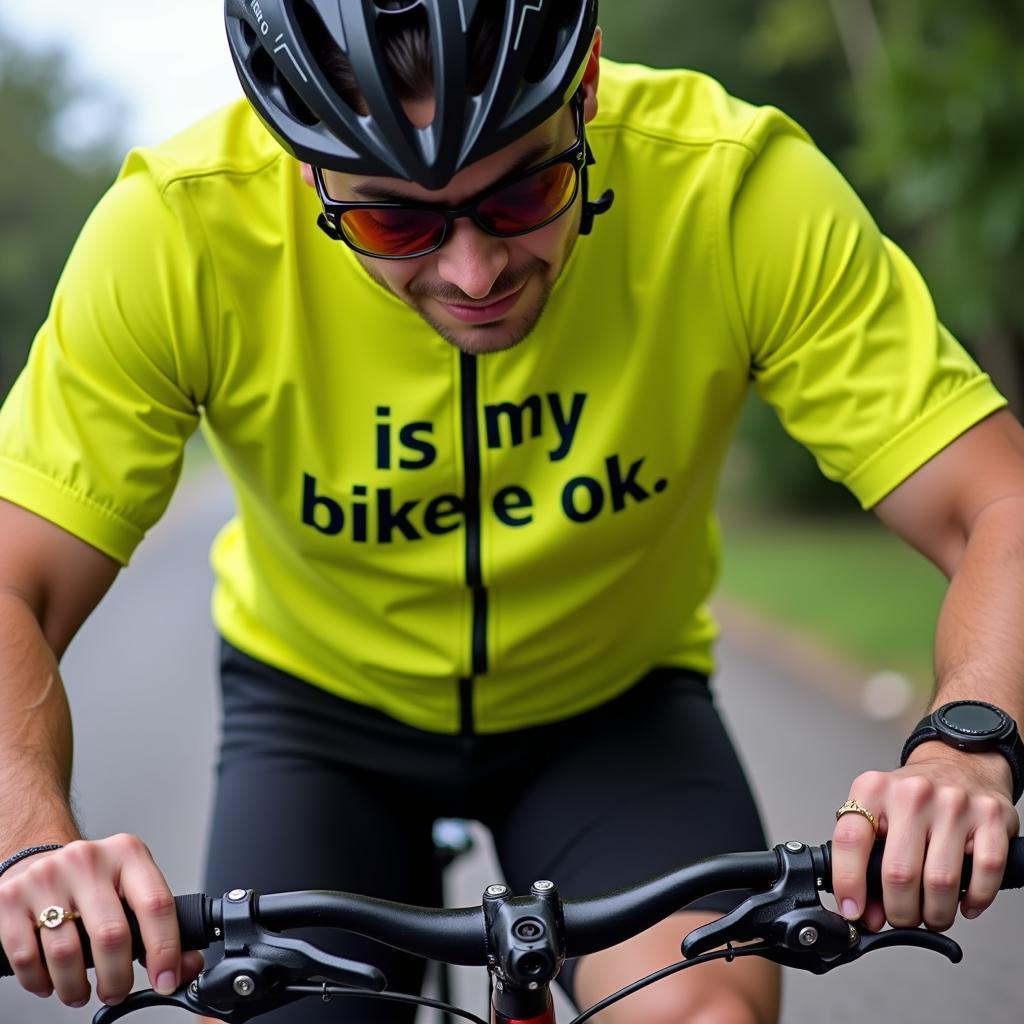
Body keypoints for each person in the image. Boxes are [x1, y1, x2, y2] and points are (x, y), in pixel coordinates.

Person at [0, 2, 1021, 1022]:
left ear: (584, 92)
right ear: (300, 165)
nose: (472, 271)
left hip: (613, 708)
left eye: (526, 189)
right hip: (318, 717)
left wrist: (964, 748)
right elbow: (14, 576)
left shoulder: (730, 187)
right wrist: (34, 844)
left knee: (700, 1015)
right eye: (392, 220)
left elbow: (998, 502)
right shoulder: (178, 230)